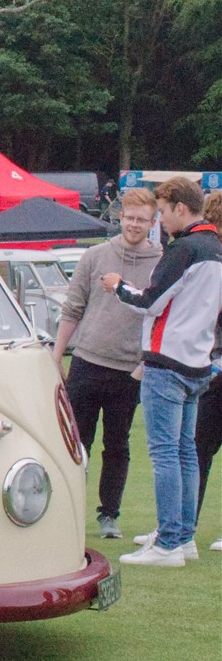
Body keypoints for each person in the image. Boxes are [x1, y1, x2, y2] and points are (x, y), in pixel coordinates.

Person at [101, 177, 222, 567]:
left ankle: (169, 541)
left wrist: (119, 286)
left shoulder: (184, 248)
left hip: (167, 362)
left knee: (166, 453)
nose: (161, 221)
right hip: (197, 363)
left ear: (180, 209)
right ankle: (182, 536)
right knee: (186, 452)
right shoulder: (216, 249)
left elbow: (150, 303)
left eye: (164, 211)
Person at [51, 188, 161, 539]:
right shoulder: (95, 256)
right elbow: (73, 308)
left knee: (117, 444)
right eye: (129, 217)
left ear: (152, 223)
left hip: (129, 369)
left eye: (141, 220)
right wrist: (57, 355)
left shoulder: (161, 263)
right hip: (87, 361)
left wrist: (145, 363)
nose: (133, 224)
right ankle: (67, 513)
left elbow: (160, 317)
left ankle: (108, 516)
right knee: (76, 442)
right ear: (120, 217)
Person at [194, 190, 222, 552]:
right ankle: (183, 527)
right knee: (198, 449)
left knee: (198, 449)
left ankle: (183, 527)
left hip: (210, 363)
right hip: (209, 365)